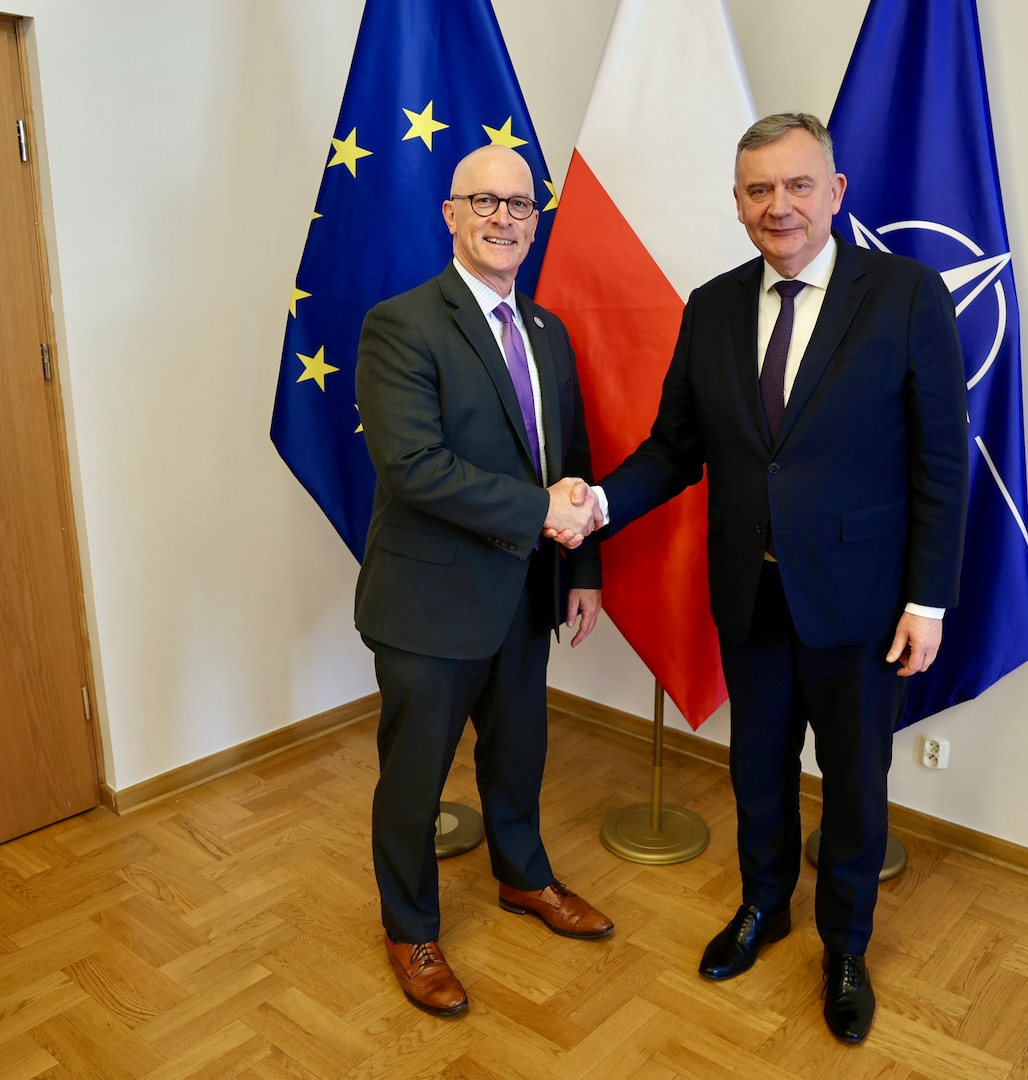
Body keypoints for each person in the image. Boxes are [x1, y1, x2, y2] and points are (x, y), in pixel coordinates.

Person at [587, 113, 969, 1043]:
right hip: (750, 598)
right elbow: (676, 450)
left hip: (863, 605)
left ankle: (845, 947)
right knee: (757, 772)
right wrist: (598, 505)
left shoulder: (908, 295)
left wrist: (928, 599)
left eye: (799, 185)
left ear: (835, 193)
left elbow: (940, 462)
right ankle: (766, 907)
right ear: (738, 203)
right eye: (759, 190)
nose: (779, 206)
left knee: (852, 785)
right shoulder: (712, 305)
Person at [353, 145, 613, 1018]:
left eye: (520, 205)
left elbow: (568, 463)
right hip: (429, 602)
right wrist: (545, 512)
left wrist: (580, 566)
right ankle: (410, 929)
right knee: (415, 777)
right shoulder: (403, 323)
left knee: (519, 756)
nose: (505, 219)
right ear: (451, 214)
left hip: (524, 596)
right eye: (485, 202)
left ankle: (523, 878)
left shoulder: (547, 330)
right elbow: (415, 466)